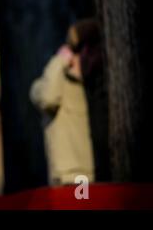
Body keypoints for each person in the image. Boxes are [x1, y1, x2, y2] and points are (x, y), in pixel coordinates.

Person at [30, 20, 96, 185]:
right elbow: (47, 98)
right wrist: (59, 61)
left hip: (97, 176)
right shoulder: (52, 85)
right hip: (71, 179)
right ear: (86, 51)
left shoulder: (95, 84)